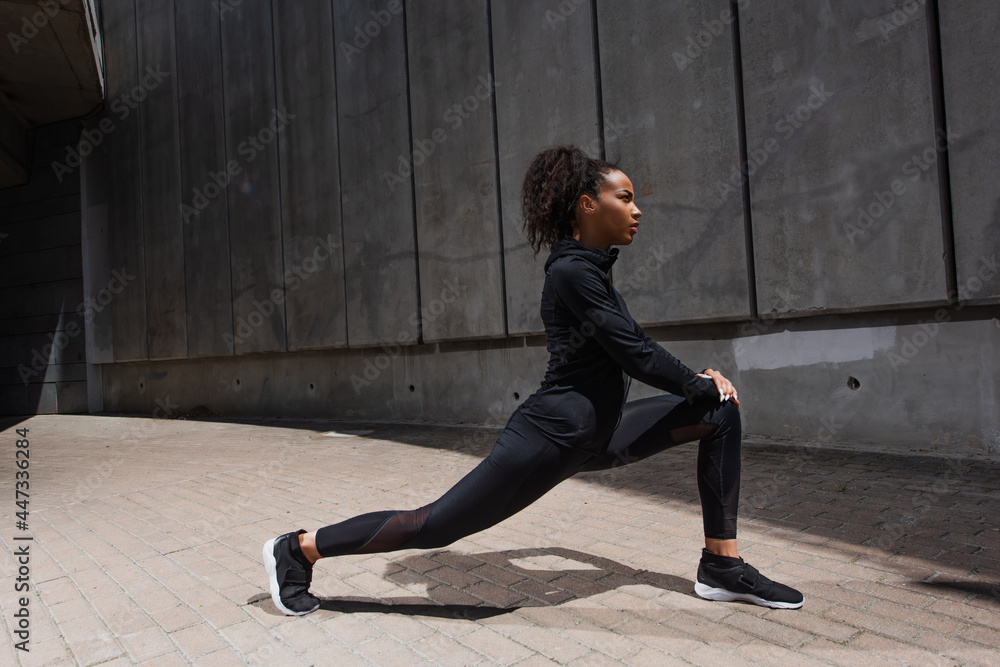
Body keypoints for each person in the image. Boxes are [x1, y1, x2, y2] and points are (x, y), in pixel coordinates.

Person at [263, 145, 804, 615]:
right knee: (433, 527)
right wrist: (701, 381)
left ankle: (721, 566)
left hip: (597, 436)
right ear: (588, 204)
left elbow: (635, 349)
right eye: (626, 197)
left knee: (719, 415)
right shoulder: (572, 273)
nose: (637, 210)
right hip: (549, 438)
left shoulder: (591, 271)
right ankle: (299, 548)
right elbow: (635, 353)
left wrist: (703, 388)